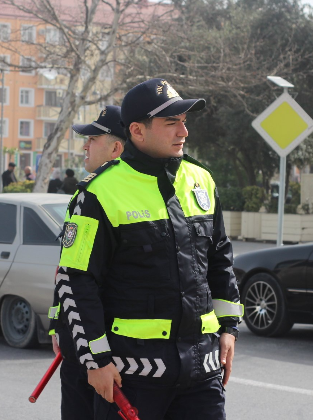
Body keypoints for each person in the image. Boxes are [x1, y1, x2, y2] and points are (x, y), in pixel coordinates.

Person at [51, 79, 242, 420]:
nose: (183, 131)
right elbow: (76, 282)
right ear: (137, 130)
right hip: (133, 378)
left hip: (202, 372)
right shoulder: (98, 193)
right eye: (171, 122)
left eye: (184, 121)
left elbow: (221, 259)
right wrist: (96, 360)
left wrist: (228, 328)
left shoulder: (202, 180)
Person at [48, 105, 126, 420]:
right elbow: (66, 272)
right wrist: (58, 324)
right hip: (81, 341)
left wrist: (84, 345)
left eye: (92, 139)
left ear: (116, 147)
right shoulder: (90, 191)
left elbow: (83, 280)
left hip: (99, 344)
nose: (85, 146)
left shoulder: (100, 195)